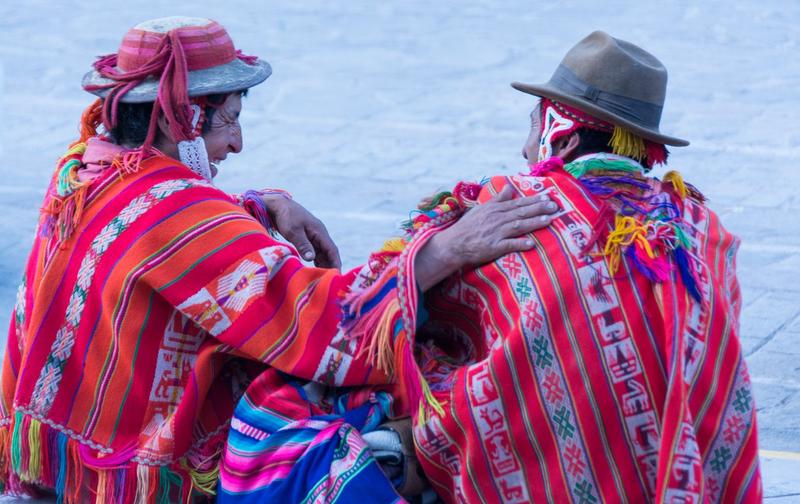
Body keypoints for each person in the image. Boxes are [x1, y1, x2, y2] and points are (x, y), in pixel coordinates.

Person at [0, 17, 558, 502]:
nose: (237, 144)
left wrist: (260, 204)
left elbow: (163, 239)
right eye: (229, 119)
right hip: (139, 461)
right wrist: (446, 248)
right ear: (179, 120)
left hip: (65, 443)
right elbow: (320, 317)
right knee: (369, 414)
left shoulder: (85, 167)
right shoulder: (179, 212)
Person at [342, 31, 762, 502]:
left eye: (532, 129)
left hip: (549, 466)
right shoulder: (702, 227)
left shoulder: (506, 206)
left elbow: (367, 306)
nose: (525, 150)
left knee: (385, 385)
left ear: (562, 138)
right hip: (692, 473)